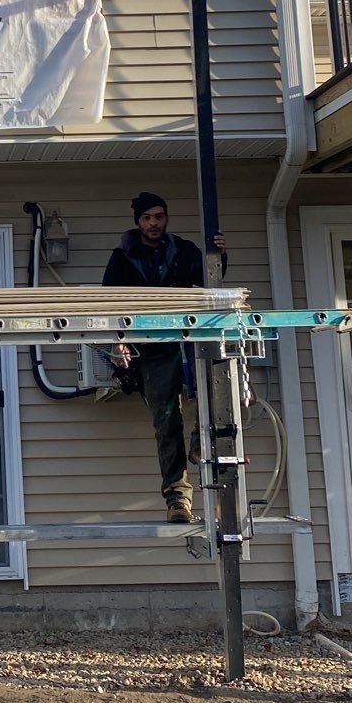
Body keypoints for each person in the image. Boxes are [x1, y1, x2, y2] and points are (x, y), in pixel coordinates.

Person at [101, 191, 227, 523]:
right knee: (166, 422)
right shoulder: (124, 258)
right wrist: (119, 342)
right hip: (153, 351)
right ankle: (178, 501)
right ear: (138, 222)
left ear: (166, 218)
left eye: (159, 216)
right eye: (147, 218)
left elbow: (210, 282)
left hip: (191, 342)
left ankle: (203, 443)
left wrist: (219, 254)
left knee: (218, 397)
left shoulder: (183, 250)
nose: (154, 223)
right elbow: (111, 305)